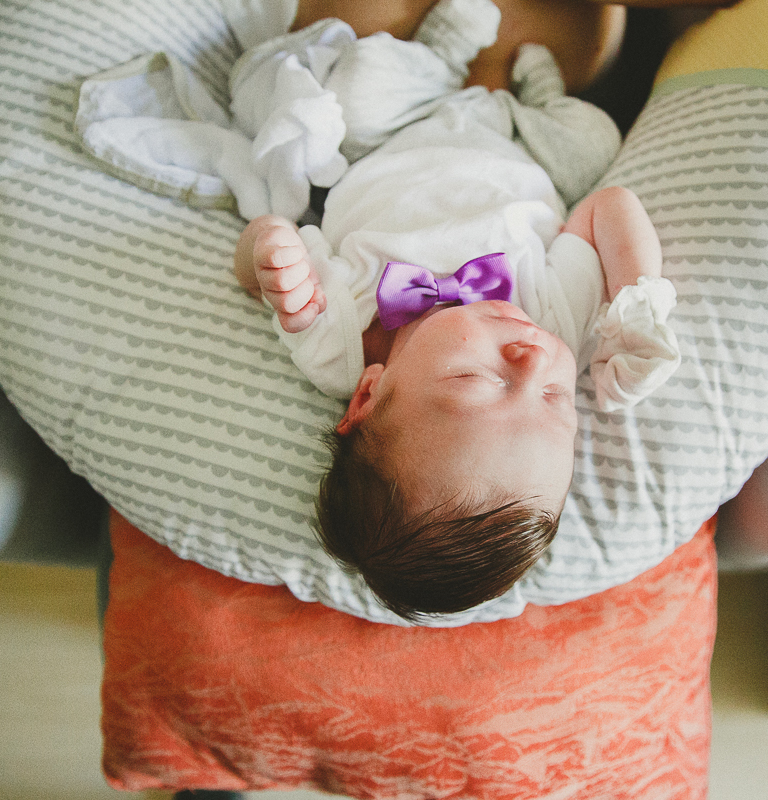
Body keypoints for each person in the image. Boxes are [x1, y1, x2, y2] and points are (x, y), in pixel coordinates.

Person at [234, 0, 681, 622]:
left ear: (367, 396)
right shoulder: (551, 321)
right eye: (556, 400)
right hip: (520, 138)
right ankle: (539, 88)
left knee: (357, 90)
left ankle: (441, 50)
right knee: (593, 145)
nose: (531, 361)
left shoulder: (337, 340)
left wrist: (269, 256)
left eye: (479, 379)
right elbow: (610, 204)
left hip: (398, 132)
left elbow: (260, 242)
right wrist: (640, 304)